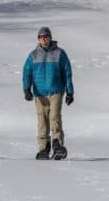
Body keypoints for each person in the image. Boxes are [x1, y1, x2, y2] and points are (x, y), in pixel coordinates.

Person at [23, 26, 74, 160]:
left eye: (46, 37)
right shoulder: (33, 55)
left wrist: (70, 92)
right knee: (42, 120)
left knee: (54, 116)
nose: (44, 40)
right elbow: (26, 73)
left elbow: (67, 72)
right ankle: (43, 148)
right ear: (38, 40)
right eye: (41, 38)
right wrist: (26, 89)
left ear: (50, 38)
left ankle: (57, 145)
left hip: (56, 90)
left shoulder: (59, 53)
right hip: (39, 93)